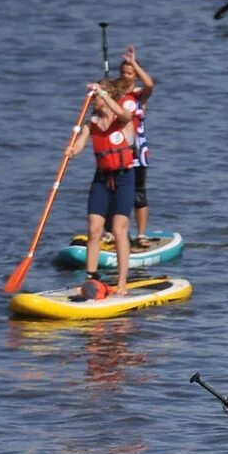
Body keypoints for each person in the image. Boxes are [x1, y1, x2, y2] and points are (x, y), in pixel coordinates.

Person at [66, 79, 136, 296]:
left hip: (124, 178)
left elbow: (126, 115)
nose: (91, 101)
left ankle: (122, 281)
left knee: (118, 230)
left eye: (94, 97)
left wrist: (102, 93)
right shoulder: (91, 124)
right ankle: (91, 278)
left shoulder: (122, 119)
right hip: (102, 179)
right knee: (94, 229)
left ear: (106, 97)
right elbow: (80, 144)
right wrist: (72, 150)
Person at [113, 47, 156, 253]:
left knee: (139, 194)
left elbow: (149, 84)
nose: (126, 76)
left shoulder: (139, 95)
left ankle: (141, 234)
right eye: (124, 73)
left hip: (137, 152)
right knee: (115, 190)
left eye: (130, 74)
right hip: (117, 151)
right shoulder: (113, 94)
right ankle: (115, 231)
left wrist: (135, 63)